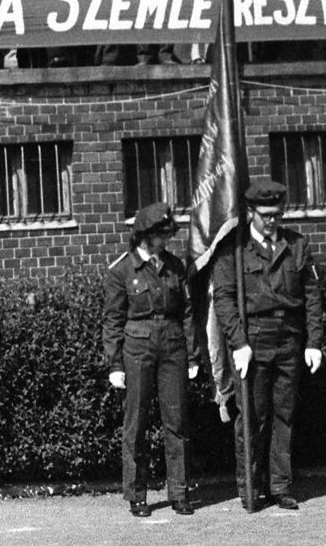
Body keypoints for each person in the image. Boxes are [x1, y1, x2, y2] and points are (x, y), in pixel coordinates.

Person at [212, 180, 326, 513]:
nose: (272, 220)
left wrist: (314, 342)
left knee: (284, 415)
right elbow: (224, 299)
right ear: (251, 213)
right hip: (253, 340)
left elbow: (312, 297)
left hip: (288, 337)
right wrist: (239, 342)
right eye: (265, 215)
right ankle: (250, 487)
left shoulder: (297, 245)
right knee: (252, 417)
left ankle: (280, 486)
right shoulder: (234, 249)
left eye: (277, 214)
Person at [104, 202, 199, 517]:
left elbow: (186, 314)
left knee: (177, 421)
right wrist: (115, 364)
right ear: (144, 236)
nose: (167, 240)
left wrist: (193, 355)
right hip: (138, 348)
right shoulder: (121, 270)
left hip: (172, 345)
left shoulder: (174, 266)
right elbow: (113, 320)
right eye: (162, 235)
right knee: (137, 422)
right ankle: (136, 494)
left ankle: (180, 493)